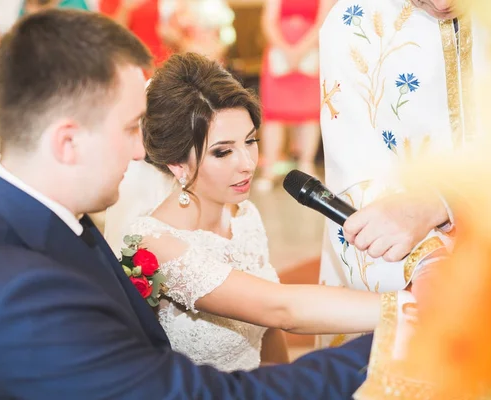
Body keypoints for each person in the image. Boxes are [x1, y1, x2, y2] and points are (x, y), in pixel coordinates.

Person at [0, 9, 377, 399]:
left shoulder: (32, 222)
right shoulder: (25, 290)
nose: (141, 153)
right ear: (67, 141)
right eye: (129, 129)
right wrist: (405, 326)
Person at [105, 52, 409, 372]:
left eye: (250, 141)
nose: (247, 164)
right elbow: (281, 309)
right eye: (222, 152)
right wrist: (413, 308)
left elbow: (268, 331)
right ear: (176, 162)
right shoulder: (152, 242)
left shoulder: (243, 215)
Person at [316, 0, 483, 348]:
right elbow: (356, 171)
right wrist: (428, 262)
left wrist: (443, 202)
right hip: (416, 275)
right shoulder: (353, 22)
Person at [255, 0, 324, 191]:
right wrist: (286, 49)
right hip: (279, 55)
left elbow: (323, 21)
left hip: (310, 53)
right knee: (273, 114)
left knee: (309, 114)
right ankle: (270, 167)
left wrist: (301, 49)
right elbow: (268, 21)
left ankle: (306, 164)